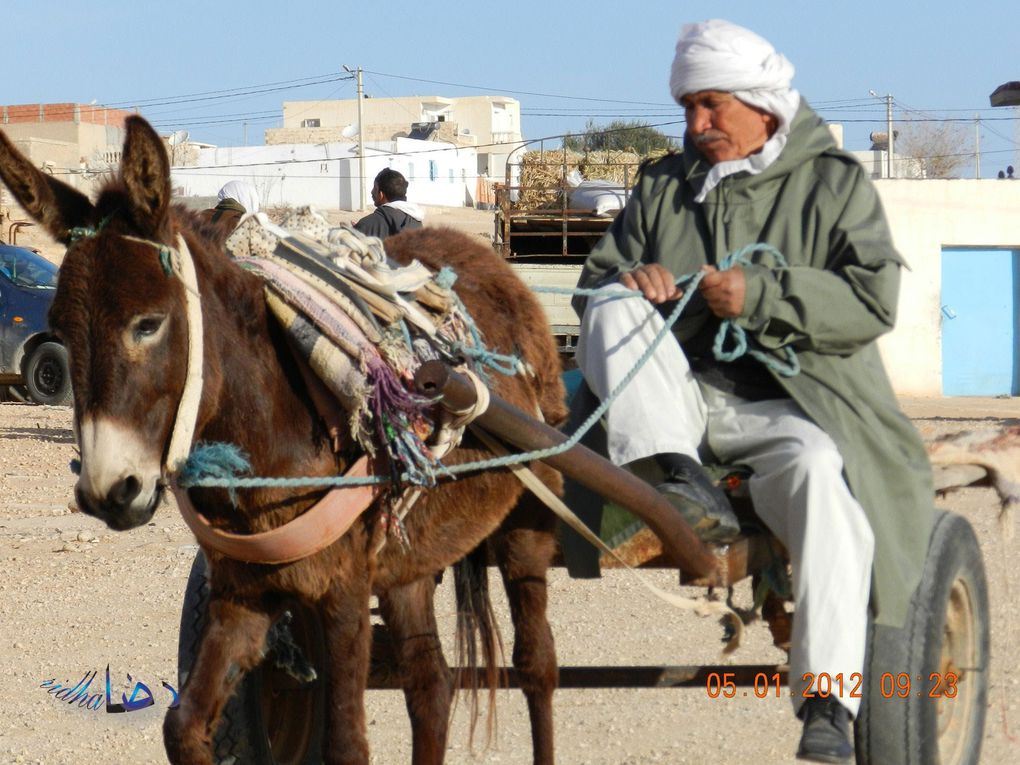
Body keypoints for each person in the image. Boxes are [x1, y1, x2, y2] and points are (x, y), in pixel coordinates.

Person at [572, 19, 933, 763]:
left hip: (794, 404)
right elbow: (596, 283)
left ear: (762, 105)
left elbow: (874, 300)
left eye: (712, 106)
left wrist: (763, 293)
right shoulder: (662, 187)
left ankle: (830, 700)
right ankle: (678, 483)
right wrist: (633, 282)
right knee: (612, 308)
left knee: (824, 481)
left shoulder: (833, 184)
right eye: (688, 110)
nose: (696, 124)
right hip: (671, 407)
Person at [354, 168, 425, 238]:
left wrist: (357, 231)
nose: (372, 192)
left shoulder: (366, 225)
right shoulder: (416, 221)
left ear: (381, 194)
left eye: (375, 188)